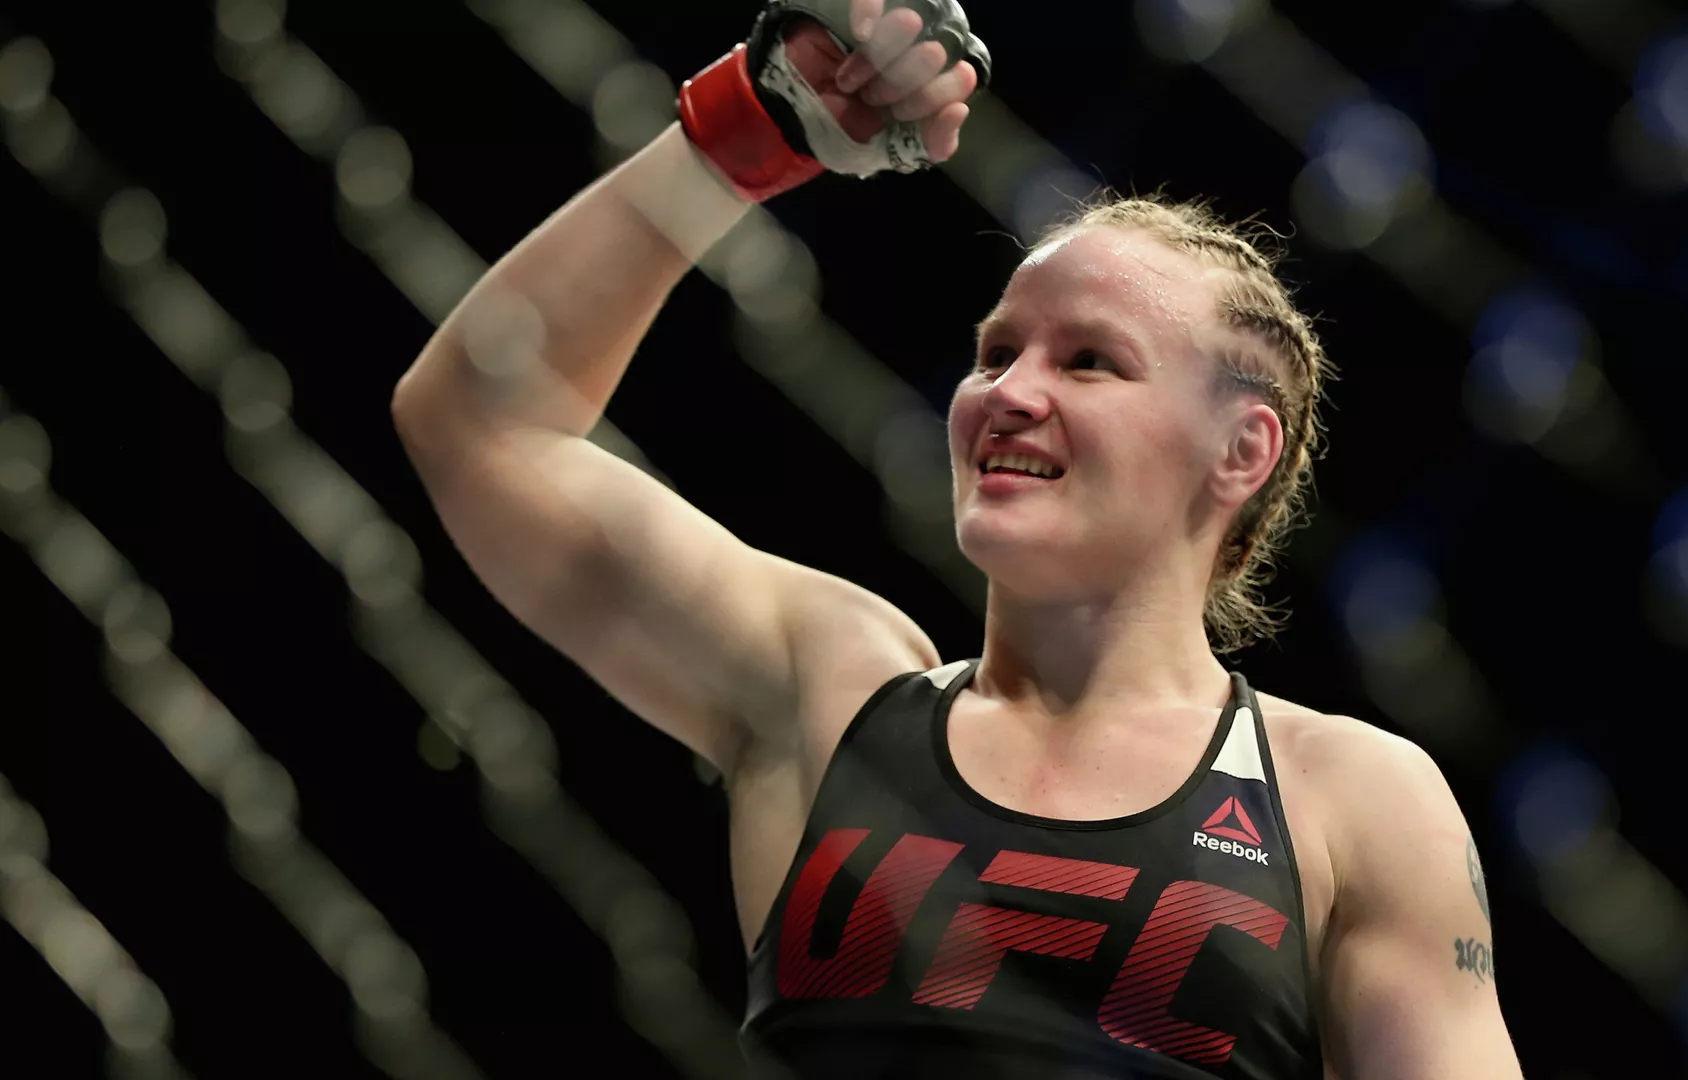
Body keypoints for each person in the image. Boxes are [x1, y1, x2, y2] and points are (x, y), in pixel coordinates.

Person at [391, 1, 1523, 1076]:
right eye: (995, 353)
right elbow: (478, 424)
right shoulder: (832, 694)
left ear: (1240, 450)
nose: (1009, 393)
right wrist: (753, 130)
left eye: (1090, 362)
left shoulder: (1345, 798)